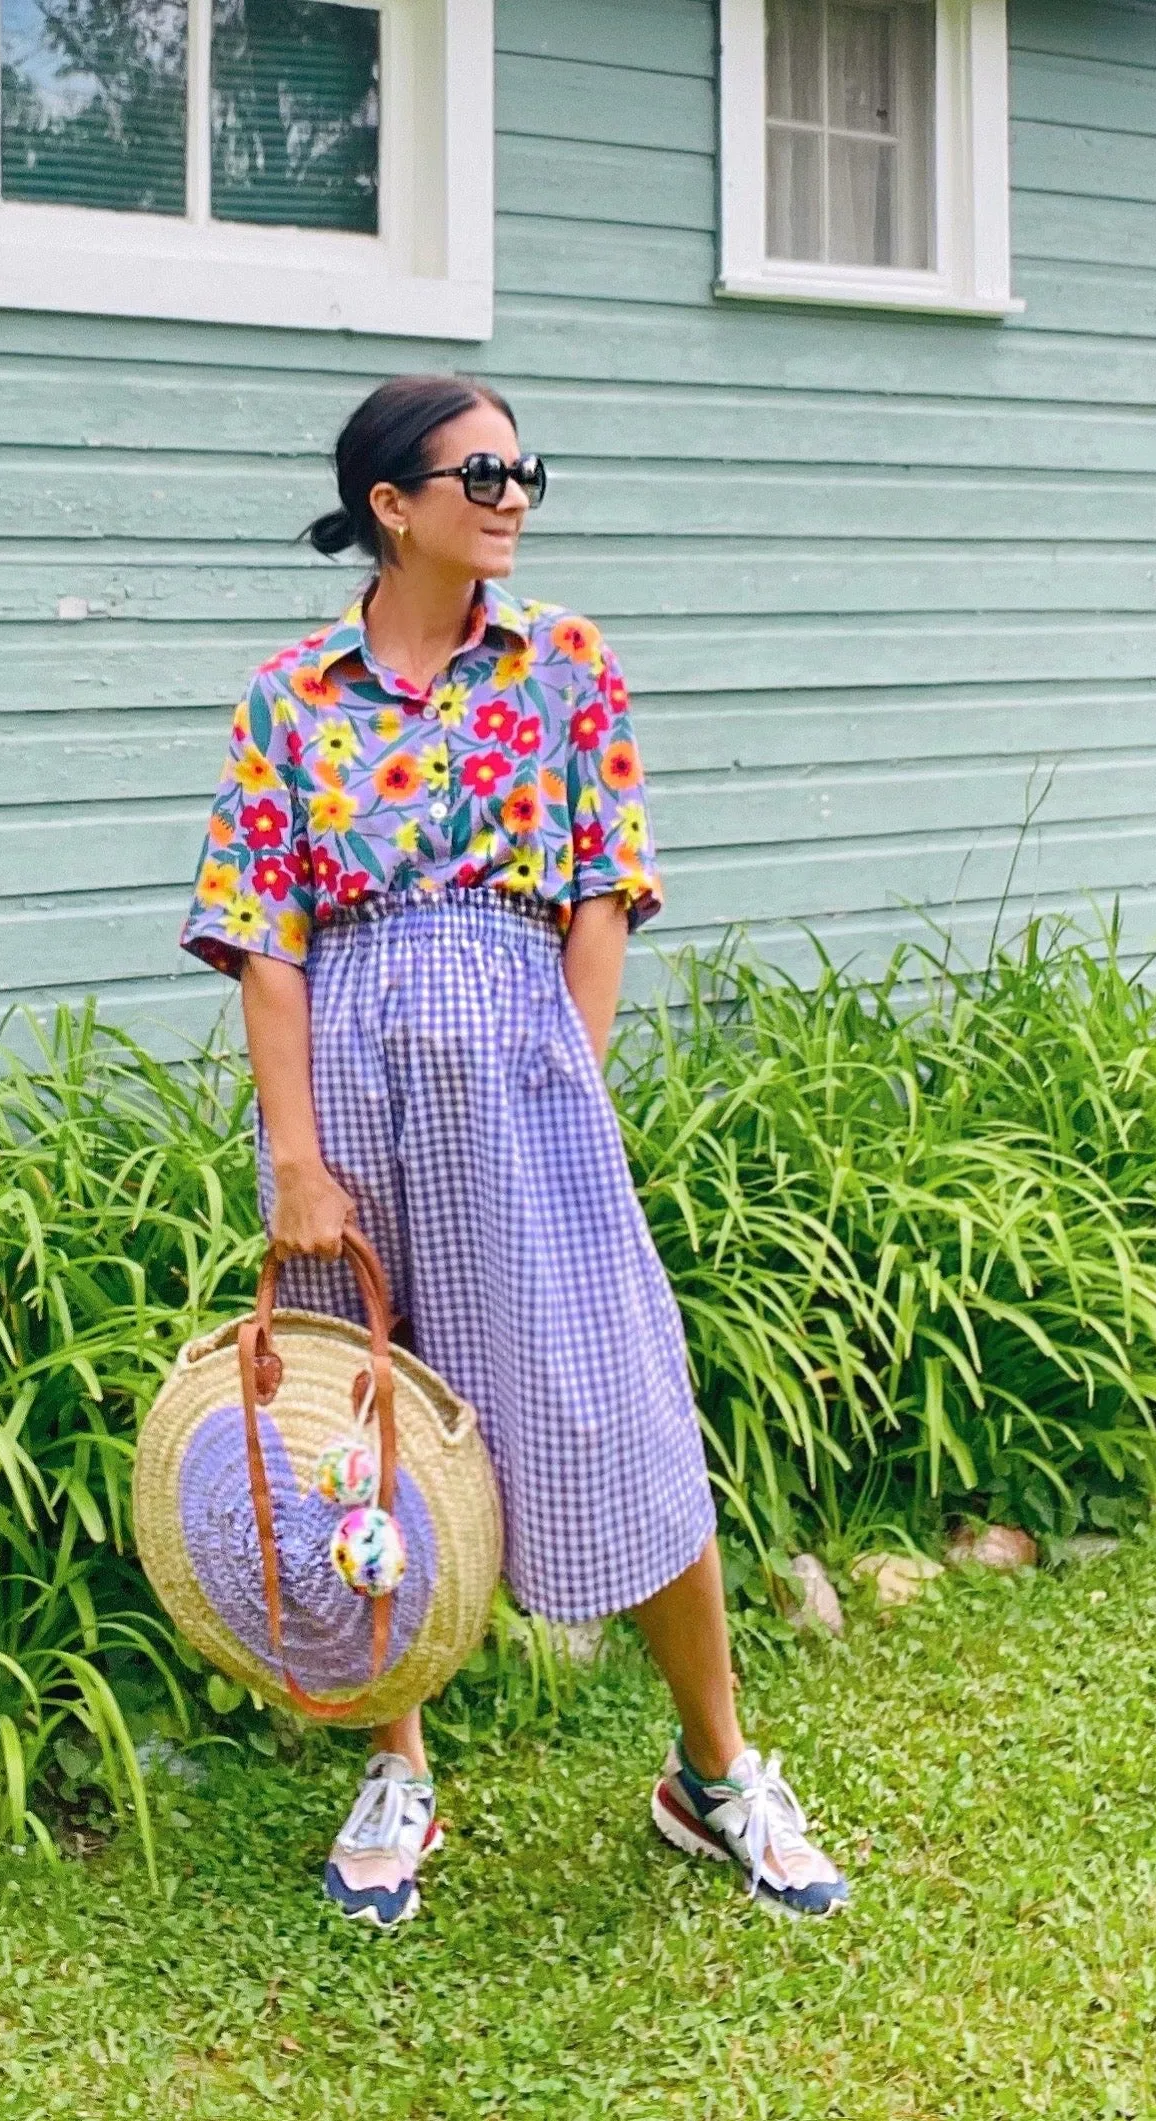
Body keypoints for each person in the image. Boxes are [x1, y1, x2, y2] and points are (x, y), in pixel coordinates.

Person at [180, 374, 847, 1929]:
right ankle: (398, 1764)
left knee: (619, 1406)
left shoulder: (566, 667)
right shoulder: (289, 697)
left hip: (524, 1074)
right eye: (479, 469)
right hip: (348, 1073)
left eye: (523, 467)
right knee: (364, 1437)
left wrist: (573, 1074)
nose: (513, 491)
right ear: (391, 505)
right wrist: (294, 1158)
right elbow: (263, 941)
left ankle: (718, 1770)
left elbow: (604, 887)